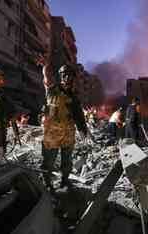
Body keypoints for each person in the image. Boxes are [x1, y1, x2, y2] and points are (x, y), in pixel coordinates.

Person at [36, 55, 88, 189]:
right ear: (60, 76)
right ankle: (47, 183)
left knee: (67, 160)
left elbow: (78, 114)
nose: (67, 78)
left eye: (70, 75)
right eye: (64, 75)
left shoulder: (74, 95)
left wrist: (83, 129)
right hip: (52, 133)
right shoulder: (53, 90)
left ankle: (65, 180)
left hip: (68, 132)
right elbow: (47, 78)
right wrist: (45, 66)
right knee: (48, 160)